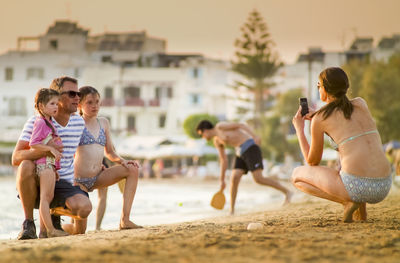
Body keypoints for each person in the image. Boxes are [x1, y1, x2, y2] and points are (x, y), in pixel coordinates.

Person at [291, 67, 392, 223]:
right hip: (385, 184)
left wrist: (299, 129)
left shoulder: (320, 119)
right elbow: (346, 129)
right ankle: (360, 215)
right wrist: (318, 116)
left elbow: (312, 162)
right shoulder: (361, 104)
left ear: (325, 89)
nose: (318, 89)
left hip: (356, 186)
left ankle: (347, 202)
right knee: (354, 164)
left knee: (297, 175)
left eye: (319, 85)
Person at [12, 76, 91, 239]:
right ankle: (29, 224)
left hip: (62, 182)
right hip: (38, 179)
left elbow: (84, 150)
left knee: (84, 209)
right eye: (71, 94)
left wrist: (103, 164)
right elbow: (16, 157)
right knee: (25, 164)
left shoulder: (79, 122)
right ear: (57, 96)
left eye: (78, 94)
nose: (77, 98)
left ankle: (53, 214)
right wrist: (48, 150)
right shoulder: (36, 121)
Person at [74, 86, 141, 230]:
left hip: (98, 177)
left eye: (97, 102)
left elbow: (110, 152)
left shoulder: (103, 122)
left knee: (132, 169)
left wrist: (123, 161)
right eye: (90, 102)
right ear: (79, 104)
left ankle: (125, 220)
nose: (95, 106)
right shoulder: (75, 123)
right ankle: (62, 228)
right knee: (78, 231)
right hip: (78, 181)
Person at [196, 120, 292, 215]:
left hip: (250, 148)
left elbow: (240, 125)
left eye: (202, 134)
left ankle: (287, 192)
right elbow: (223, 160)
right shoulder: (217, 141)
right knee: (234, 178)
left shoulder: (220, 126)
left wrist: (254, 136)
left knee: (258, 179)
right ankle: (232, 210)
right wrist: (222, 180)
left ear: (205, 130)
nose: (203, 137)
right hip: (239, 153)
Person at [29, 88, 68, 237]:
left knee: (48, 198)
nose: (56, 107)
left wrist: (56, 169)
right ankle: (50, 230)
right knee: (45, 198)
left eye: (57, 104)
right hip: (43, 164)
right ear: (41, 106)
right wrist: (50, 149)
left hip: (49, 165)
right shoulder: (40, 122)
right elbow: (33, 143)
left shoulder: (48, 122)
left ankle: (43, 231)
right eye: (52, 103)